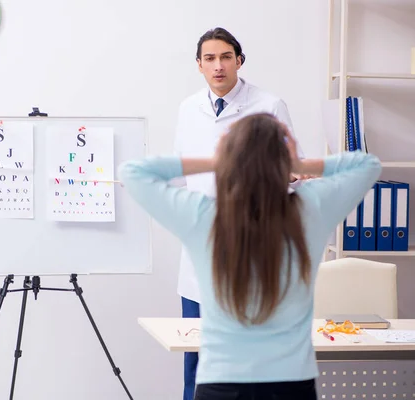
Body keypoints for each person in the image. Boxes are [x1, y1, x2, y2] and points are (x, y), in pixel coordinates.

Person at [119, 113, 381, 399]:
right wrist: (299, 164)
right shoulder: (310, 210)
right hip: (291, 384)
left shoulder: (202, 217)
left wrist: (217, 161)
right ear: (283, 160)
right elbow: (367, 165)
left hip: (220, 383)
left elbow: (133, 172)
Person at [173, 27, 305, 400]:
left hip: (252, 251)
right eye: (210, 59)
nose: (218, 66)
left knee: (250, 365)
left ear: (239, 61)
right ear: (198, 65)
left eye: (226, 57)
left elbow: (292, 172)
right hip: (201, 253)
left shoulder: (270, 105)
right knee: (196, 362)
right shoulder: (188, 109)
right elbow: (183, 176)